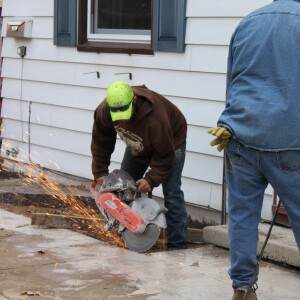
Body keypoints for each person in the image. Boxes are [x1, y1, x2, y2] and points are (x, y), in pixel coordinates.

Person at [208, 0, 300, 299]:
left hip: (239, 134)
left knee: (242, 216)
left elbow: (233, 78)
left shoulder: (249, 21)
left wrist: (230, 120)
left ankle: (243, 289)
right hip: (290, 141)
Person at [91, 80, 188, 250]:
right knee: (123, 190)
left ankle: (177, 245)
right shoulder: (104, 110)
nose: (121, 116)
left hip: (171, 143)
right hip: (137, 141)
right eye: (117, 113)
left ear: (134, 100)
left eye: (125, 112)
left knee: (172, 192)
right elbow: (101, 141)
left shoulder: (156, 118)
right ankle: (127, 235)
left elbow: (165, 156)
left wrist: (151, 179)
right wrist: (100, 170)